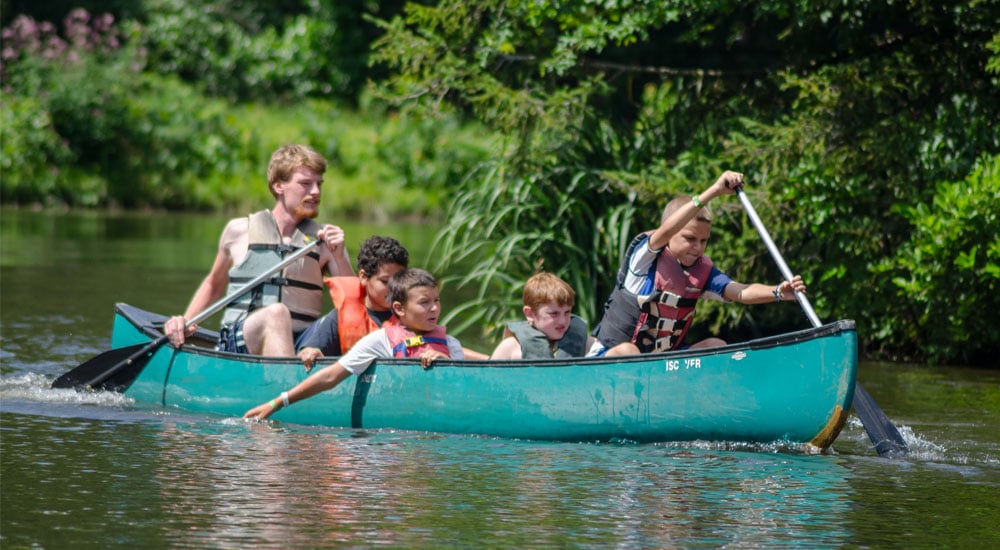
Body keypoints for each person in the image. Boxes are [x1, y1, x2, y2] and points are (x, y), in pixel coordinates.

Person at [589, 170, 807, 356]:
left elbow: (740, 292)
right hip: (611, 357)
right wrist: (714, 191)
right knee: (629, 352)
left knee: (716, 346)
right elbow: (667, 231)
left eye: (704, 241)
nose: (698, 247)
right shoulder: (644, 259)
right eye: (690, 239)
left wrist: (777, 291)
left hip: (663, 364)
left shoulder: (701, 272)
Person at [164, 144, 355, 356]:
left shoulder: (327, 241)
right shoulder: (238, 231)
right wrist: (186, 321)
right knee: (276, 313)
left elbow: (355, 305)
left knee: (337, 318)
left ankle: (305, 379)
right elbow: (214, 284)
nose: (316, 192)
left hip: (302, 344)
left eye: (319, 184)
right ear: (279, 186)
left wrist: (339, 256)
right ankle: (290, 385)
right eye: (305, 184)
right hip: (241, 341)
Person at [244, 268, 464, 420]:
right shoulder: (381, 340)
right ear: (399, 308)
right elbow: (331, 376)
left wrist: (448, 364)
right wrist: (277, 403)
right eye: (425, 303)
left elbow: (463, 388)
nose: (434, 308)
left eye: (436, 301)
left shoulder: (449, 343)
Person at [296, 235, 409, 370]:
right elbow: (310, 350)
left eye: (398, 280)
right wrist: (311, 352)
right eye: (385, 281)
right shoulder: (340, 317)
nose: (393, 288)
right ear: (363, 277)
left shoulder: (412, 316)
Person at [490, 272, 597, 359]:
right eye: (554, 314)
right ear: (530, 314)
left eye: (567, 312)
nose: (563, 321)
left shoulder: (587, 344)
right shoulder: (511, 348)